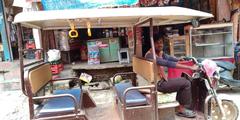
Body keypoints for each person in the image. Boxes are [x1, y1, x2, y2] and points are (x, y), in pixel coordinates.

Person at [145, 35, 198, 118]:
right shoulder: (150, 55)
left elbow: (168, 58)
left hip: (160, 81)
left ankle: (180, 107)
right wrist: (190, 67)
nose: (160, 45)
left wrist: (179, 60)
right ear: (152, 44)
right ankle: (182, 110)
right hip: (158, 84)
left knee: (182, 80)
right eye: (157, 43)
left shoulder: (159, 53)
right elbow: (167, 63)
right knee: (186, 83)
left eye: (161, 42)